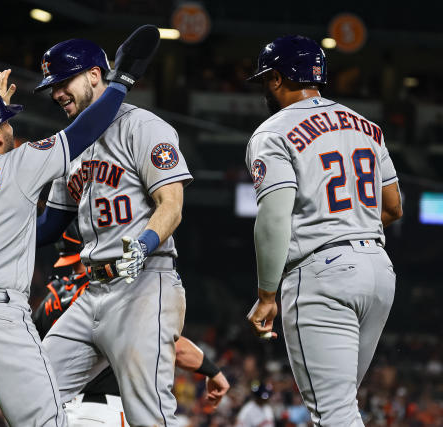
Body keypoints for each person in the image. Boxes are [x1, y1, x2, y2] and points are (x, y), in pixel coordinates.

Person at [0, 25, 161, 425]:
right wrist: (122, 79)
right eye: (6, 122)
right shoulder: (18, 165)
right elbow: (84, 130)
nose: (12, 127)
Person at [243, 35, 402, 426]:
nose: (266, 87)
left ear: (278, 78)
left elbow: (275, 218)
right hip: (378, 271)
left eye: (267, 79)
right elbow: (394, 207)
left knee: (333, 414)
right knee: (340, 408)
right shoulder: (367, 126)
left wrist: (266, 294)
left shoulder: (273, 131)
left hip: (323, 274)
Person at [34, 37, 192, 426]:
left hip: (145, 284)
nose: (56, 93)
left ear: (94, 75)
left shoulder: (143, 126)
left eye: (63, 82)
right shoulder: (72, 143)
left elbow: (171, 206)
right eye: (51, 86)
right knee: (32, 392)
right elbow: (47, 228)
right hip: (93, 292)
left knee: (149, 416)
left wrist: (142, 245)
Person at [33, 222, 230, 426]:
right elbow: (173, 348)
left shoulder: (49, 301)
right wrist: (213, 371)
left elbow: (34, 360)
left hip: (58, 411)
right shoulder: (112, 293)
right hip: (105, 413)